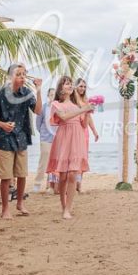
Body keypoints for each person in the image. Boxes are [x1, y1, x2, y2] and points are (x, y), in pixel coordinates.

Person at [0, 63, 42, 219]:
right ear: (10, 76)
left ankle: (20, 203)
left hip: (21, 137)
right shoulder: (0, 94)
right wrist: (3, 125)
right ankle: (5, 209)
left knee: (22, 174)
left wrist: (38, 91)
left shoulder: (27, 93)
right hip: (3, 139)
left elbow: (38, 111)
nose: (22, 77)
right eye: (18, 74)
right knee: (6, 177)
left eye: (24, 74)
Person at [46, 76, 92, 219]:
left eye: (71, 84)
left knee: (73, 174)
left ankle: (68, 209)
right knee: (63, 175)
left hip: (77, 137)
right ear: (61, 87)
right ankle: (63, 205)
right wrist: (82, 109)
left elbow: (84, 125)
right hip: (63, 138)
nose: (70, 86)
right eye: (67, 84)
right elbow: (64, 117)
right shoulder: (55, 104)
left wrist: (88, 113)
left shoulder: (77, 105)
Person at [74, 78, 99, 193]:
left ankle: (79, 184)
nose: (82, 88)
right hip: (75, 130)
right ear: (75, 87)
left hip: (85, 132)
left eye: (84, 86)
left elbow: (89, 118)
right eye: (80, 86)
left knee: (83, 158)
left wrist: (94, 131)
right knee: (75, 157)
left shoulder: (86, 100)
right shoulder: (73, 100)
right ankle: (73, 183)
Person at [33, 88, 56, 193]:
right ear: (48, 96)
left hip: (56, 139)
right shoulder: (43, 107)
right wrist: (42, 132)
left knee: (54, 163)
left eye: (54, 95)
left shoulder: (58, 107)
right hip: (45, 138)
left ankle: (49, 185)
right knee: (43, 161)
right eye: (51, 95)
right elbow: (38, 123)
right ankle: (37, 184)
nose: (53, 97)